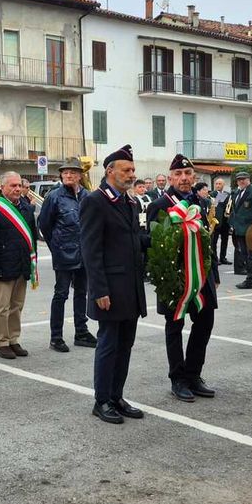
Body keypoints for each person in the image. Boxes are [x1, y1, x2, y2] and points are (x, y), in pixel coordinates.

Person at [80, 144, 147, 424]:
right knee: (108, 346)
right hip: (109, 289)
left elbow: (135, 240)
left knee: (125, 345)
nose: (131, 174)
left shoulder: (130, 202)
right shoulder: (95, 201)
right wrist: (99, 290)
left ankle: (117, 396)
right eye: (126, 170)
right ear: (110, 171)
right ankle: (102, 400)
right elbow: (90, 250)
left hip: (130, 288)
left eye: (133, 170)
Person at [146, 154, 219, 402]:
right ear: (170, 178)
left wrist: (213, 273)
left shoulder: (200, 203)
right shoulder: (159, 205)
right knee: (174, 327)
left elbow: (208, 241)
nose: (184, 178)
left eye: (188, 174)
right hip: (173, 279)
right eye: (178, 174)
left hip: (201, 276)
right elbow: (153, 245)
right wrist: (162, 278)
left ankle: (193, 375)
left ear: (194, 177)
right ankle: (177, 379)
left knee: (205, 324)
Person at [38, 160, 96, 353]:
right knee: (61, 294)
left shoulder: (87, 196)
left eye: (72, 172)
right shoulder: (54, 196)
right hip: (63, 253)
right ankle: (56, 337)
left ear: (80, 175)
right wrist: (56, 247)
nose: (68, 176)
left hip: (84, 253)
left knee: (81, 293)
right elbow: (44, 225)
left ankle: (81, 332)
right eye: (65, 173)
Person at [0, 171, 38, 360]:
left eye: (19, 185)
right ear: (3, 187)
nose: (17, 189)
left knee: (17, 306)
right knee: (2, 308)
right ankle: (2, 342)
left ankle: (14, 339)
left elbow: (32, 238)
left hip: (21, 265)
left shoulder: (27, 208)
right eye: (13, 185)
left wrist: (32, 264)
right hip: (3, 267)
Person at [210, 178, 232, 265]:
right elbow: (216, 205)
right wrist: (222, 196)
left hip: (225, 221)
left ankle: (223, 257)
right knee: (214, 241)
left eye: (220, 184)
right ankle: (215, 258)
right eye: (216, 184)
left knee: (225, 240)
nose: (218, 185)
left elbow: (229, 206)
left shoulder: (228, 194)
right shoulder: (212, 194)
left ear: (223, 185)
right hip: (216, 221)